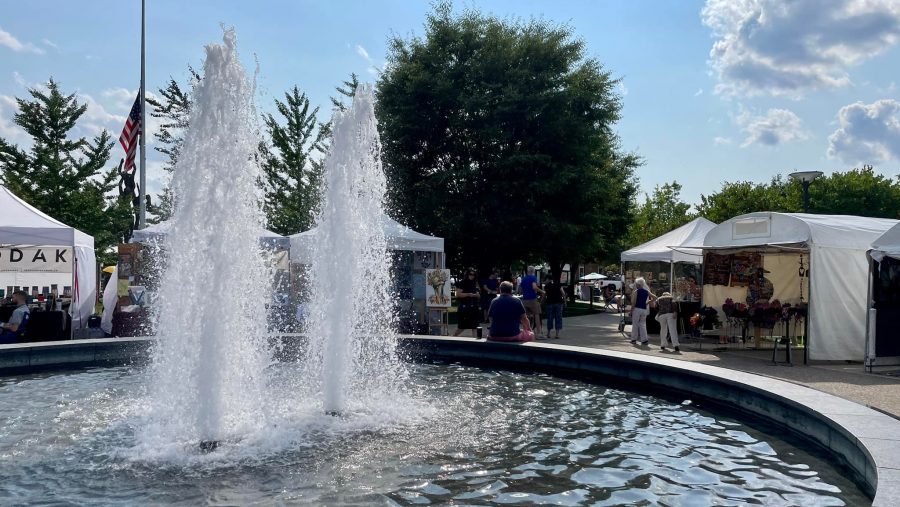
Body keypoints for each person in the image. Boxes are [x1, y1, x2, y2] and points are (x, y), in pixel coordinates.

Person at [747, 267, 774, 348]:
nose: (759, 273)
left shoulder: (768, 282)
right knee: (756, 322)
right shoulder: (752, 282)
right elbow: (749, 294)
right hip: (755, 305)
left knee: (763, 321)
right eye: (758, 272)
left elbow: (770, 293)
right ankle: (757, 343)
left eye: (760, 272)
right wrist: (752, 303)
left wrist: (764, 298)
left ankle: (759, 343)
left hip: (764, 305)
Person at [454, 268, 481, 337]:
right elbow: (458, 294)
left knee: (475, 326)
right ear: (467, 274)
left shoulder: (475, 283)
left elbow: (478, 294)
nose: (472, 276)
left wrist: (477, 295)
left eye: (474, 275)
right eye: (470, 274)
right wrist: (468, 294)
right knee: (462, 327)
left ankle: (475, 342)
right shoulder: (463, 282)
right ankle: (453, 337)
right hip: (465, 307)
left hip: (474, 307)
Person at [520, 266, 545, 338]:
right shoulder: (533, 277)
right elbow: (534, 287)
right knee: (537, 315)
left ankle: (526, 333)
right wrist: (542, 291)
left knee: (526, 316)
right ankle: (539, 333)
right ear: (533, 271)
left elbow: (521, 289)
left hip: (525, 299)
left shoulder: (523, 279)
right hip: (532, 299)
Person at [629, 277, 655, 346]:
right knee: (643, 325)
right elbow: (655, 297)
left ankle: (633, 339)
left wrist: (631, 311)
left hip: (637, 309)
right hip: (644, 309)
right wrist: (648, 302)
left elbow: (634, 303)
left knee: (635, 324)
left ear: (638, 284)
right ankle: (644, 340)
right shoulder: (646, 291)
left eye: (636, 284)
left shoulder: (636, 291)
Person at [543, 274, 567, 339]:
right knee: (558, 318)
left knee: (550, 318)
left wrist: (542, 302)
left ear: (548, 279)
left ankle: (548, 333)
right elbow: (563, 294)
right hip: (559, 303)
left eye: (545, 280)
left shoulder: (547, 286)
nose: (545, 281)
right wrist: (565, 302)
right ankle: (557, 334)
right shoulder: (558, 285)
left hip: (549, 303)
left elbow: (545, 295)